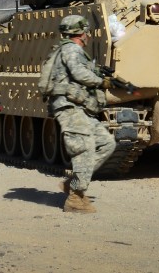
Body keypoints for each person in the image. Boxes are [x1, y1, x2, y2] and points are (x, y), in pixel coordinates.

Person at [44, 15, 116, 213]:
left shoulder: (72, 51)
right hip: (69, 107)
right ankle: (75, 198)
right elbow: (79, 74)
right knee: (85, 148)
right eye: (87, 32)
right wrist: (102, 82)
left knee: (107, 143)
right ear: (82, 33)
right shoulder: (71, 49)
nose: (88, 36)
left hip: (79, 107)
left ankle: (73, 183)